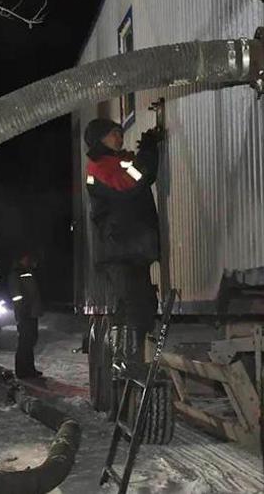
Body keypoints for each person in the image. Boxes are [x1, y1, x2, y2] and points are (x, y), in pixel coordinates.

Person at [83, 118, 164, 362]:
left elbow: (138, 175)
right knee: (134, 308)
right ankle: (130, 362)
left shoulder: (118, 161)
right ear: (99, 139)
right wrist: (148, 152)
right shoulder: (99, 167)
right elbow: (131, 184)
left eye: (120, 133)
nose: (119, 138)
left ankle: (134, 360)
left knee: (143, 306)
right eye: (113, 134)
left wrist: (146, 152)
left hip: (130, 248)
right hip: (121, 249)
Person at [7, 251, 44, 379]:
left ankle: (29, 369)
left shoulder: (27, 271)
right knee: (25, 342)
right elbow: (16, 294)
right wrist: (22, 309)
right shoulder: (16, 274)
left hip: (31, 313)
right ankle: (22, 371)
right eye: (26, 257)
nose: (29, 259)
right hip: (25, 313)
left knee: (31, 340)